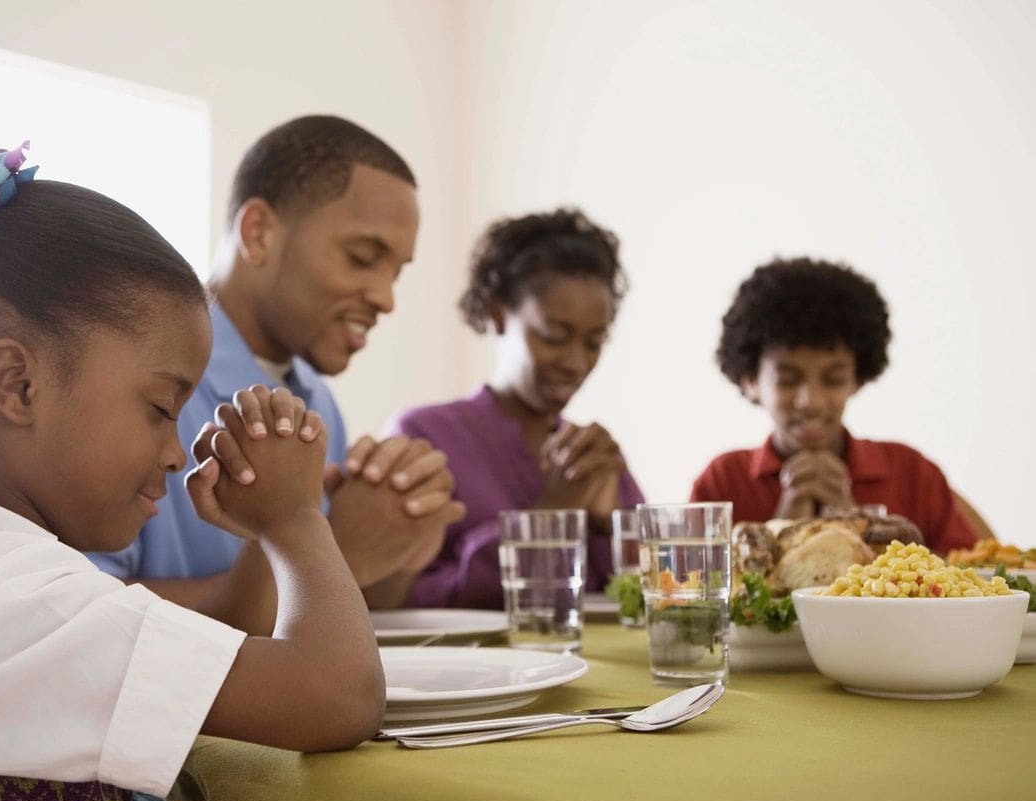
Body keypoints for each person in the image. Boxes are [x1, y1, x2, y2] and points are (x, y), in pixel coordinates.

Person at [0, 142, 383, 801]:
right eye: (161, 409)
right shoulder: (14, 602)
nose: (175, 452)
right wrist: (293, 519)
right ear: (17, 384)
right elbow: (337, 697)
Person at [88, 115, 464, 618]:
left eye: (396, 271)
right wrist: (332, 555)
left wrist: (400, 547)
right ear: (259, 232)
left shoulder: (315, 397)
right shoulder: (134, 376)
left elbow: (338, 615)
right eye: (361, 257)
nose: (385, 298)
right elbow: (77, 619)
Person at [386, 208, 644, 609]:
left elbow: (651, 593)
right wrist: (553, 512)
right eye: (555, 336)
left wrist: (611, 525)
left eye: (594, 342)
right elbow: (404, 600)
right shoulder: (424, 437)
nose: (576, 362)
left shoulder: (592, 454)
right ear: (497, 315)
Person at [689, 256, 980, 554]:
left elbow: (973, 577)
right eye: (788, 380)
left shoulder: (913, 474)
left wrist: (855, 530)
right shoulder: (722, 483)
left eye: (833, 379)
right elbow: (687, 588)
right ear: (751, 380)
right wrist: (783, 532)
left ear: (857, 378)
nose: (811, 402)